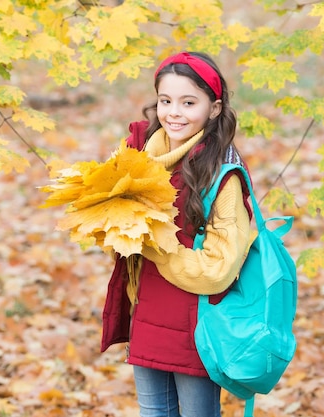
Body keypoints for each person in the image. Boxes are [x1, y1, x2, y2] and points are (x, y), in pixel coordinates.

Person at [100, 51, 255, 417]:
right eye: (165, 101)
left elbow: (219, 268)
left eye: (189, 102)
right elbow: (120, 243)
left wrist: (154, 242)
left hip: (197, 328)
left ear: (214, 108)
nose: (174, 112)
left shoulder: (222, 174)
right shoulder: (137, 158)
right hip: (149, 315)